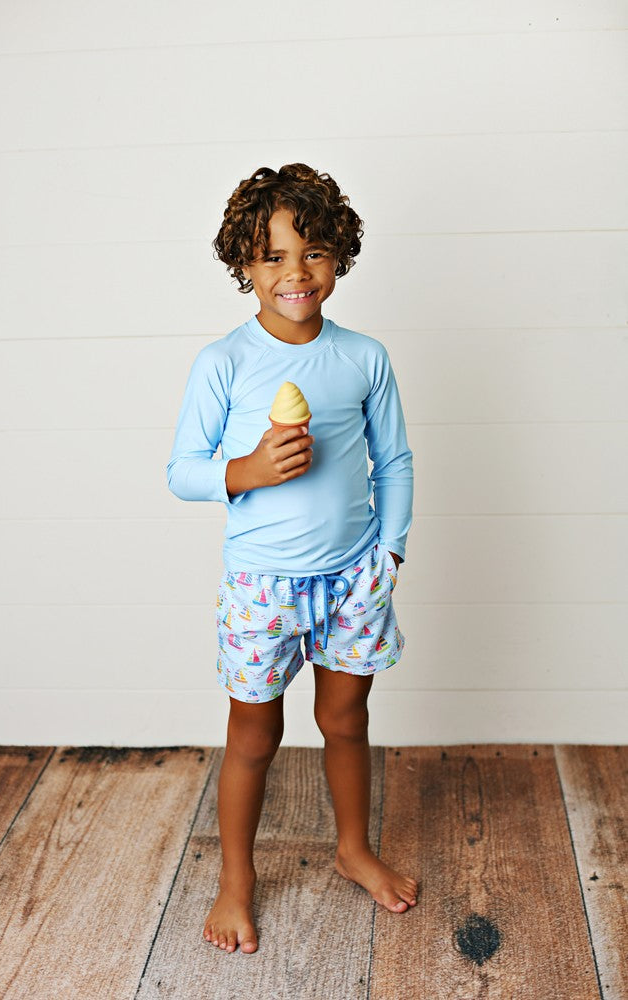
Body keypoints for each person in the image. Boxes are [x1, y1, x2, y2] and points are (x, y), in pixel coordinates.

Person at [166, 163, 417, 955]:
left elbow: (393, 460)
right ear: (243, 264)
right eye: (272, 256)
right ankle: (235, 882)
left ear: (338, 255)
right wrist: (245, 470)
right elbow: (182, 471)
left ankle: (352, 849)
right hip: (262, 586)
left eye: (312, 252)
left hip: (353, 576)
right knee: (252, 737)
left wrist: (390, 550)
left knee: (345, 721)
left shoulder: (362, 357)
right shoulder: (225, 363)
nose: (295, 272)